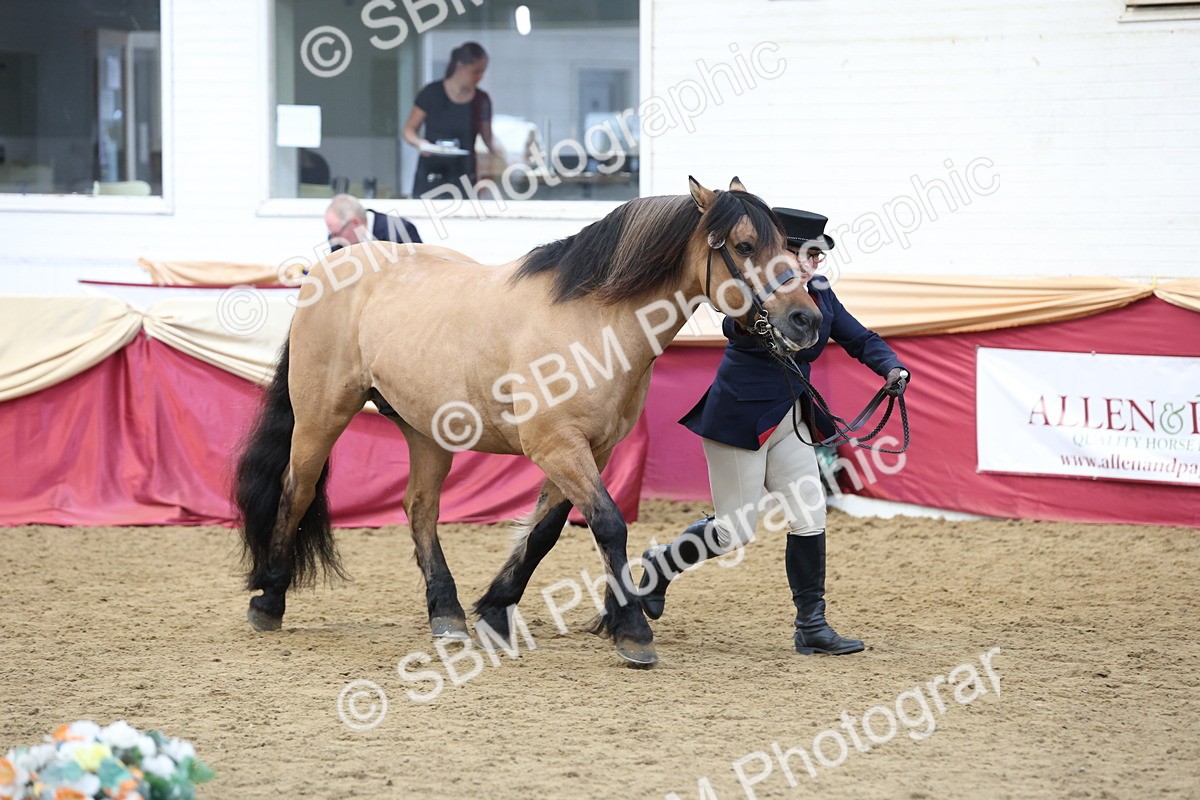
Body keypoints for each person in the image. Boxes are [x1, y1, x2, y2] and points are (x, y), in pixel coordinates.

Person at [638, 208, 910, 655]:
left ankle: (812, 626)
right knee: (734, 532)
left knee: (810, 515)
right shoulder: (750, 293)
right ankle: (660, 565)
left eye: (818, 257)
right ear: (777, 252)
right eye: (803, 254)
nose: (813, 265)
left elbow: (860, 338)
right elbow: (733, 326)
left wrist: (891, 368)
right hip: (742, 422)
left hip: (792, 422)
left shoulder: (818, 294)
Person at [402, 42, 502, 197]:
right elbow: (409, 130)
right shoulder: (431, 93)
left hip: (464, 174)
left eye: (482, 72)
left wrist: (504, 158)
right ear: (460, 66)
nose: (479, 77)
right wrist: (420, 143)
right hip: (432, 173)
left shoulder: (481, 99)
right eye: (475, 72)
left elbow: (488, 139)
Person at [324, 194, 421, 252]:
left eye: (337, 234)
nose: (334, 239)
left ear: (355, 222)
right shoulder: (337, 241)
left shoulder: (400, 231)